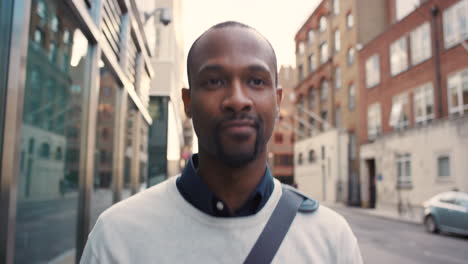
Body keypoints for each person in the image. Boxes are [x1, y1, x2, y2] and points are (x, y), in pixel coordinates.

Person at [80, 21, 363, 263]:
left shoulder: (331, 239)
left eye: (256, 81)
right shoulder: (117, 235)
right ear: (188, 103)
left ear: (277, 102)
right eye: (215, 81)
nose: (238, 99)